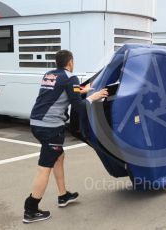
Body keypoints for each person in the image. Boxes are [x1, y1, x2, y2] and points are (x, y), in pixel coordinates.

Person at [23, 50, 108, 223]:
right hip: (50, 127)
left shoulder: (50, 75)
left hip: (36, 122)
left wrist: (84, 89)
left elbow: (63, 92)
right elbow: (78, 106)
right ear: (70, 62)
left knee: (59, 156)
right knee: (44, 167)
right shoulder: (71, 77)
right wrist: (95, 96)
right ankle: (31, 209)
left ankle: (63, 196)